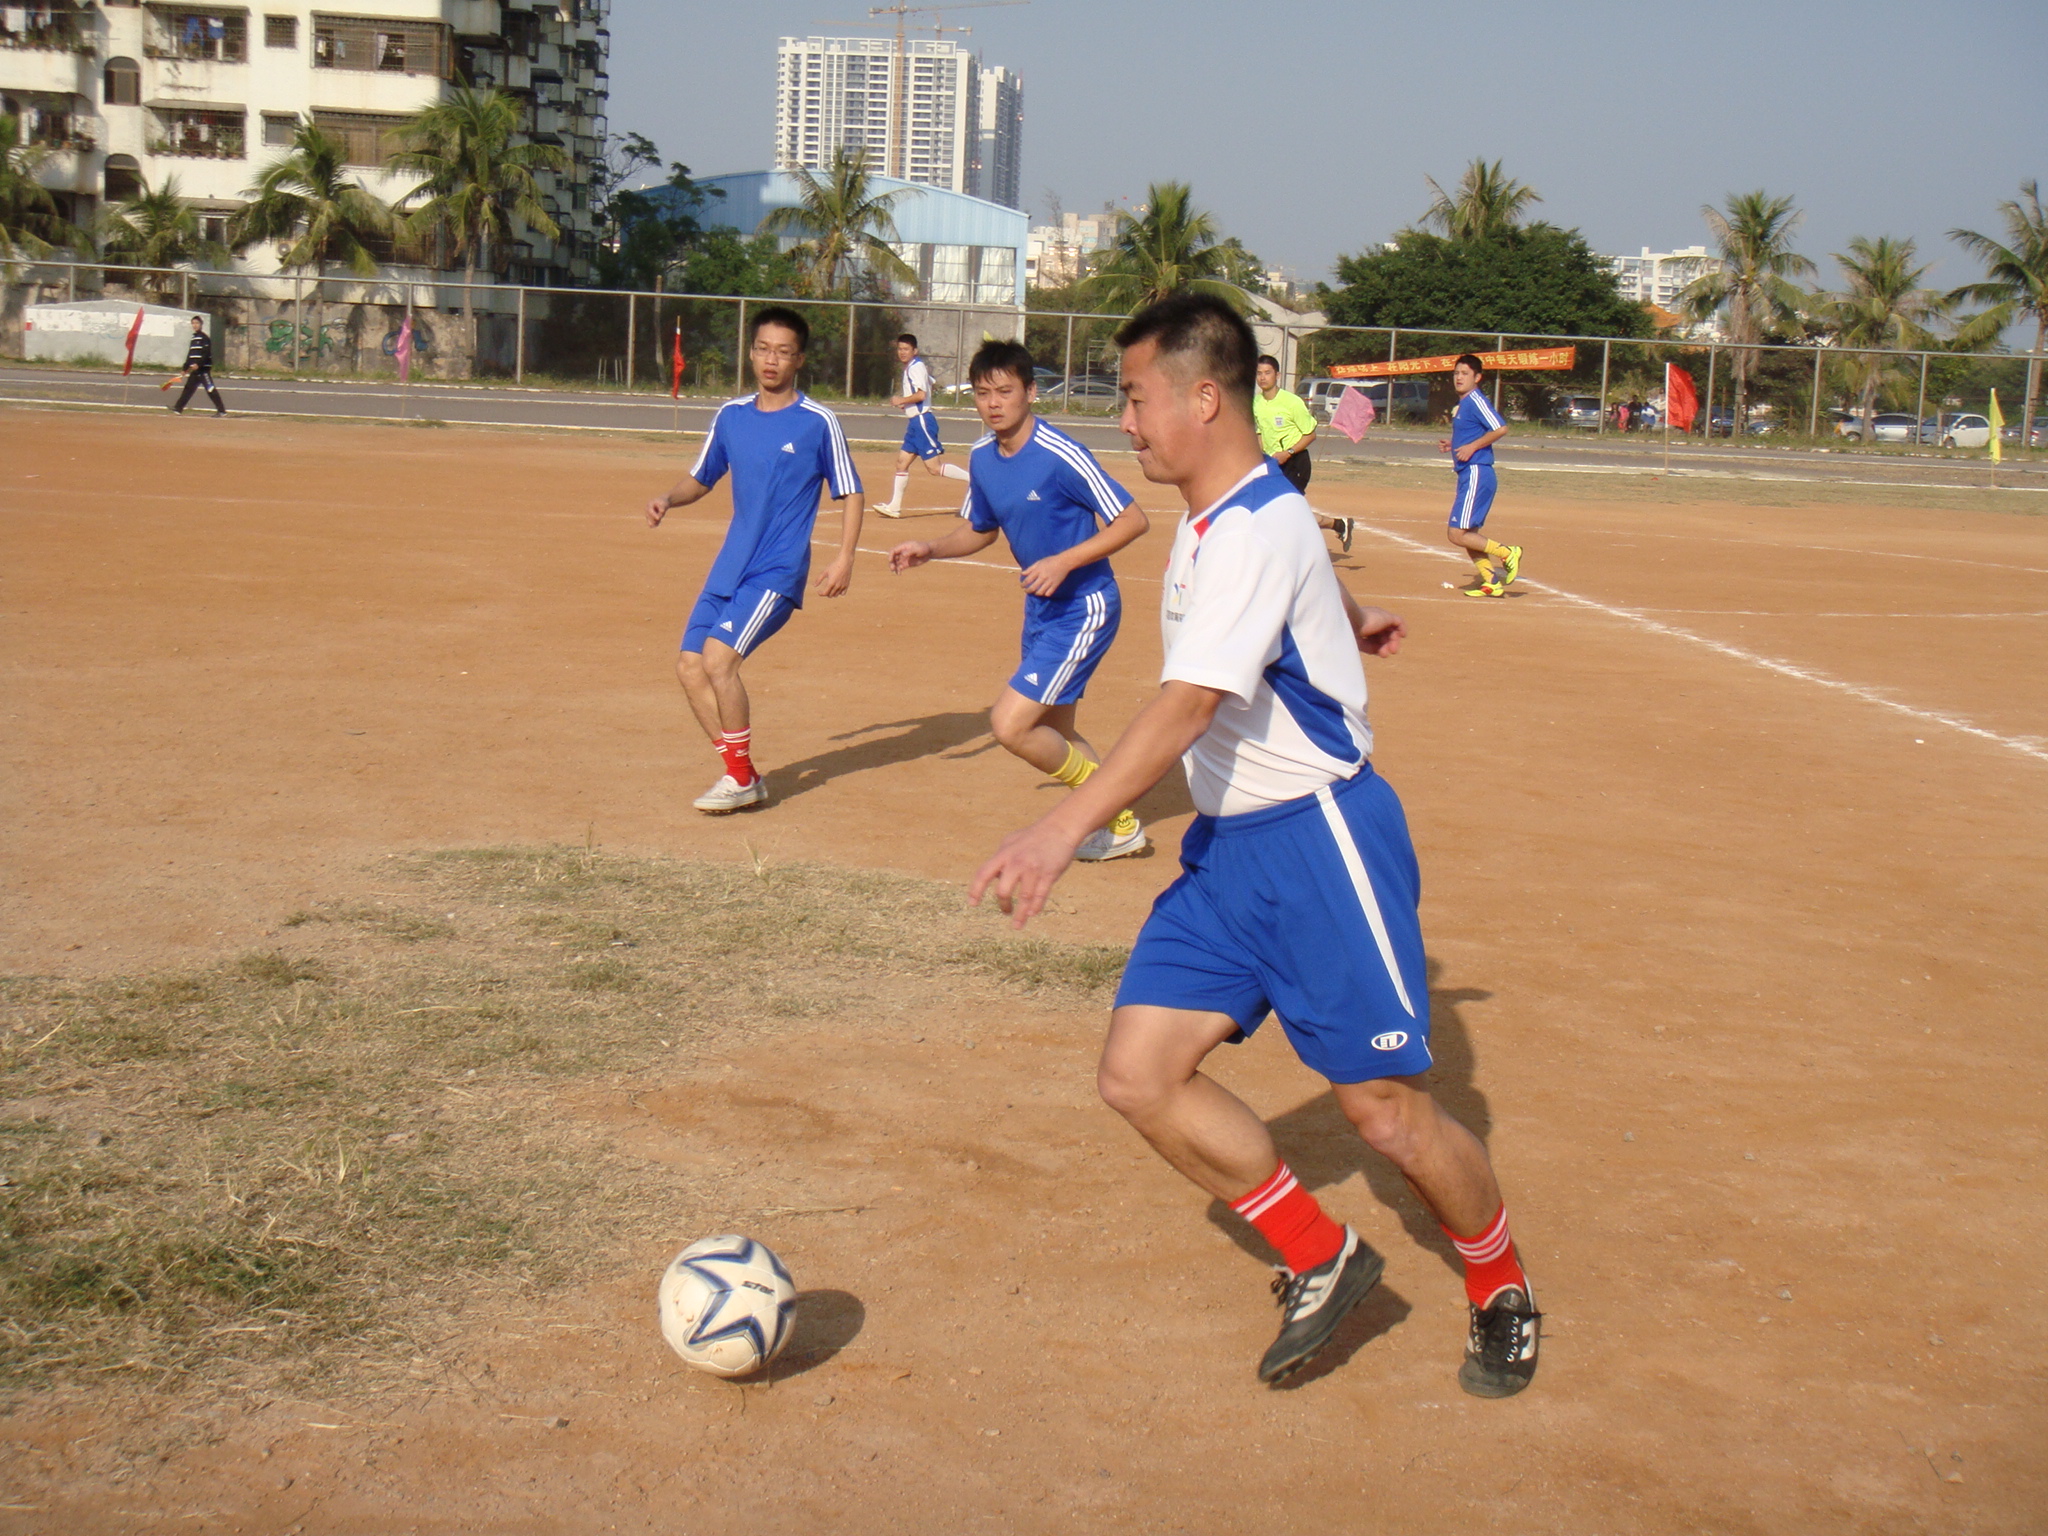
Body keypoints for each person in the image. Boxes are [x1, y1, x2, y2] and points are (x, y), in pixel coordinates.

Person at [971, 294, 1539, 1397]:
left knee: (1385, 1116)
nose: (1124, 421)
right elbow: (1288, 553)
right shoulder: (1222, 514)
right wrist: (1348, 614)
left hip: (1319, 841)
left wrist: (1059, 828)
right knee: (1138, 1076)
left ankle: (1500, 1283)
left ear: (1202, 398)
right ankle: (1323, 1257)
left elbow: (1188, 705)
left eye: (1134, 398)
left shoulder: (1250, 528)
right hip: (1229, 851)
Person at [889, 340, 1151, 862]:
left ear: (1030, 392)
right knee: (1055, 731)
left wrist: (1064, 561)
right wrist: (931, 548)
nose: (993, 403)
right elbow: (980, 529)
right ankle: (1116, 825)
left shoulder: (1060, 454)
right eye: (983, 393)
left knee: (1011, 725)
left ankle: (1115, 813)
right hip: (1041, 610)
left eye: (1005, 391)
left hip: (1085, 606)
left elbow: (1132, 520)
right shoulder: (982, 457)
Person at [644, 306, 863, 814]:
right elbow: (702, 477)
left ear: (799, 360)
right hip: (729, 567)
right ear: (750, 352)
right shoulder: (731, 416)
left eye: (784, 352)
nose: (771, 360)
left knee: (719, 660)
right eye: (763, 348)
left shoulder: (817, 422)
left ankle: (740, 779)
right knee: (689, 667)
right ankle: (743, 776)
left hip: (776, 571)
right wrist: (668, 498)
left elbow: (851, 491)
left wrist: (845, 557)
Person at [1438, 355, 1521, 598]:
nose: (1459, 378)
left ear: (1477, 377)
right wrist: (1454, 444)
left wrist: (1472, 447)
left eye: (1465, 373)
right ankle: (1491, 581)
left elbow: (1500, 427)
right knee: (1469, 535)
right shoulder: (1464, 403)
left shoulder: (1475, 400)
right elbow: (1473, 433)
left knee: (1456, 534)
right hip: (1468, 473)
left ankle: (1508, 552)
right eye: (1456, 373)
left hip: (1477, 472)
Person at [1251, 354, 1351, 553]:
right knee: (1279, 511)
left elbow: (1310, 434)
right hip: (1273, 464)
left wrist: (1287, 452)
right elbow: (1260, 433)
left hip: (1295, 462)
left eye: (1267, 373)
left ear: (1277, 375)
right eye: (1259, 373)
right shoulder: (1256, 403)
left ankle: (1294, 552)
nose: (1263, 377)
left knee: (1287, 511)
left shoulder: (1291, 402)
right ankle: (1338, 524)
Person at [872, 333, 972, 517]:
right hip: (914, 422)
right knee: (901, 463)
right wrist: (907, 404)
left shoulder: (916, 367)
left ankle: (974, 482)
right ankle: (894, 507)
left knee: (934, 468)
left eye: (906, 349)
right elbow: (929, 384)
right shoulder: (912, 367)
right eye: (900, 348)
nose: (902, 352)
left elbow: (921, 394)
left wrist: (902, 400)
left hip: (922, 421)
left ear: (915, 351)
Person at [170, 314, 226, 416]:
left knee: (210, 389)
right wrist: (185, 368)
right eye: (193, 323)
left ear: (201, 324)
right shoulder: (193, 338)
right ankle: (178, 408)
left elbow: (206, 354)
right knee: (188, 389)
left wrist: (199, 364)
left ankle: (221, 411)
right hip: (195, 371)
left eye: (197, 323)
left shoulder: (205, 338)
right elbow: (190, 355)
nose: (195, 325)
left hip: (203, 370)